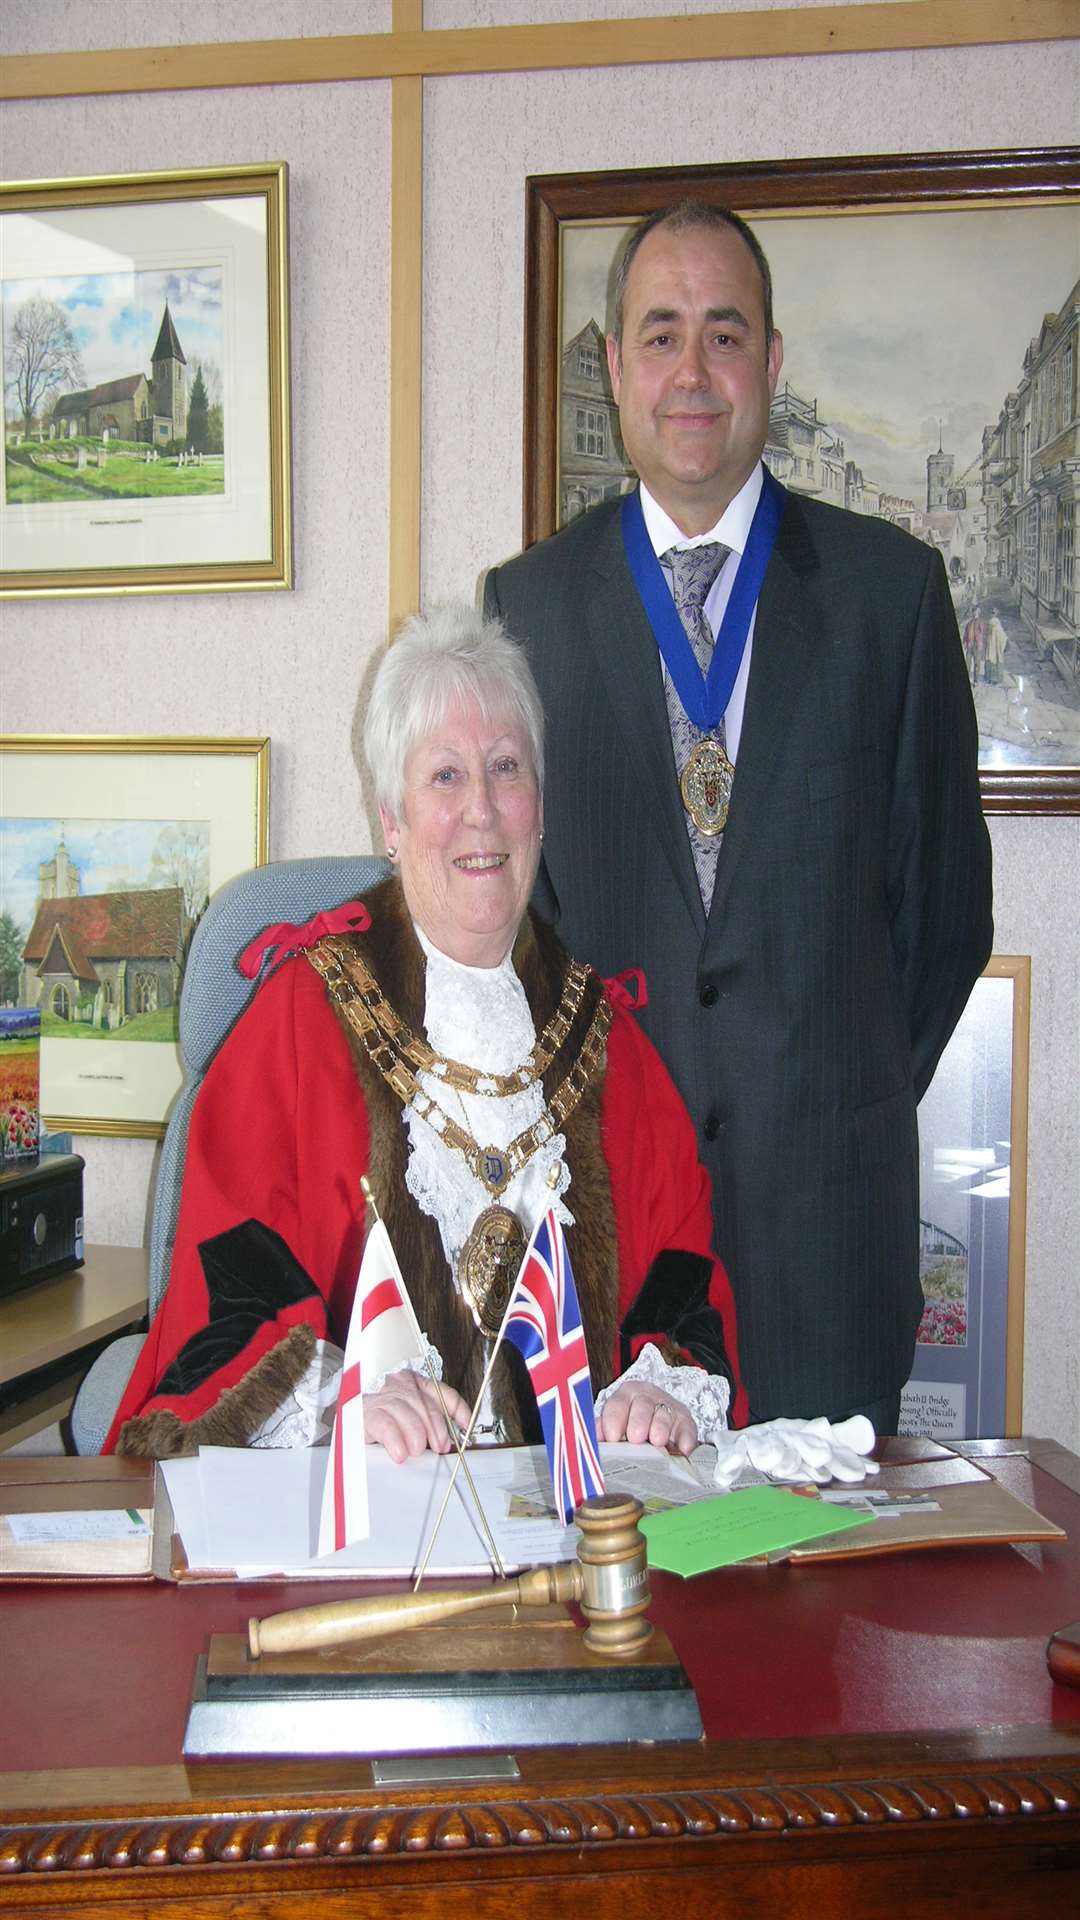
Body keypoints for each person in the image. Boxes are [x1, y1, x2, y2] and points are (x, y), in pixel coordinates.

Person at [484, 200, 993, 1433]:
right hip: (616, 1254)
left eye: (726, 332)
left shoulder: (893, 596)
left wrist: (834, 1091)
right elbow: (519, 928)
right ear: (614, 363)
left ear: (772, 362)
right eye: (660, 335)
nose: (693, 371)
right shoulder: (529, 609)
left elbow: (946, 919)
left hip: (831, 1242)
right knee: (628, 1614)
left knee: (824, 1616)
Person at [104, 606, 751, 1464]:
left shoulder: (607, 1041)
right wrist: (343, 1399)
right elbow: (224, 1296)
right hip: (369, 1527)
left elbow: (681, 1272)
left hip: (575, 1532)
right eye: (445, 777)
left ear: (540, 808)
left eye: (506, 769)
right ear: (391, 820)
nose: (481, 810)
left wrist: (657, 1386)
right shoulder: (300, 1022)